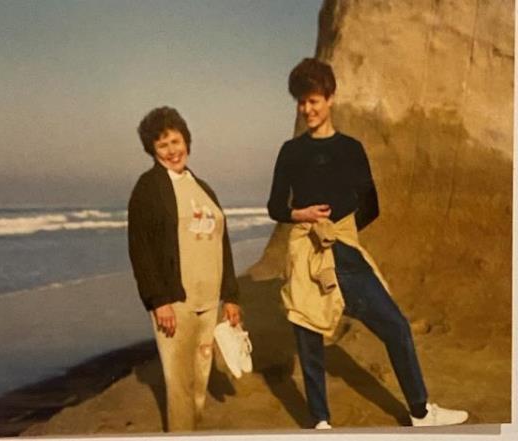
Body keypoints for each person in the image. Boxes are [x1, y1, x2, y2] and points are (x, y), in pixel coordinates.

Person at [267, 58, 469, 429]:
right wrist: (303, 215)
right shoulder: (290, 151)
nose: (307, 109)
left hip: (344, 251)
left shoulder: (351, 148)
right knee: (309, 336)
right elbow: (275, 207)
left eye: (314, 100)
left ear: (330, 98)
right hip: (305, 251)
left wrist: (341, 232)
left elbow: (371, 204)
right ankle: (320, 422)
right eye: (301, 102)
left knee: (395, 325)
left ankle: (420, 412)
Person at [128, 106, 241, 432]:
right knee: (179, 385)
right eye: (162, 145)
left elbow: (222, 244)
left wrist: (231, 297)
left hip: (209, 301)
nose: (171, 151)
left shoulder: (203, 187)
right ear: (152, 150)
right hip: (175, 304)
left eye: (175, 141)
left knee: (200, 381)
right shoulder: (148, 187)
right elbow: (140, 249)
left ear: (187, 142)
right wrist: (158, 300)